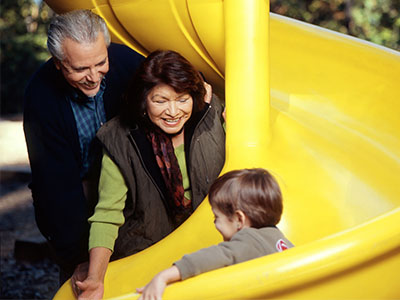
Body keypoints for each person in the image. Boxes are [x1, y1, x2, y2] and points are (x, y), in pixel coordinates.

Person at [74, 50, 226, 299]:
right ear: (143, 100)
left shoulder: (212, 118)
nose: (174, 111)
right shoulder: (120, 139)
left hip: (209, 238)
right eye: (161, 101)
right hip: (147, 245)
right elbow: (107, 215)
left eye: (182, 99)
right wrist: (94, 278)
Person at [23, 9, 144, 283]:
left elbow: (173, 82)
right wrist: (81, 259)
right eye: (80, 69)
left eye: (100, 63)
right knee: (83, 281)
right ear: (58, 63)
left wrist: (205, 97)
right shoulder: (41, 97)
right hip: (77, 192)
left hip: (126, 188)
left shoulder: (126, 61)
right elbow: (55, 189)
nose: (93, 76)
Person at [137, 168, 294, 300]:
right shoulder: (279, 240)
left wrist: (164, 276)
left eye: (216, 217)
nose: (214, 224)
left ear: (239, 219)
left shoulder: (249, 240)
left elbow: (214, 256)